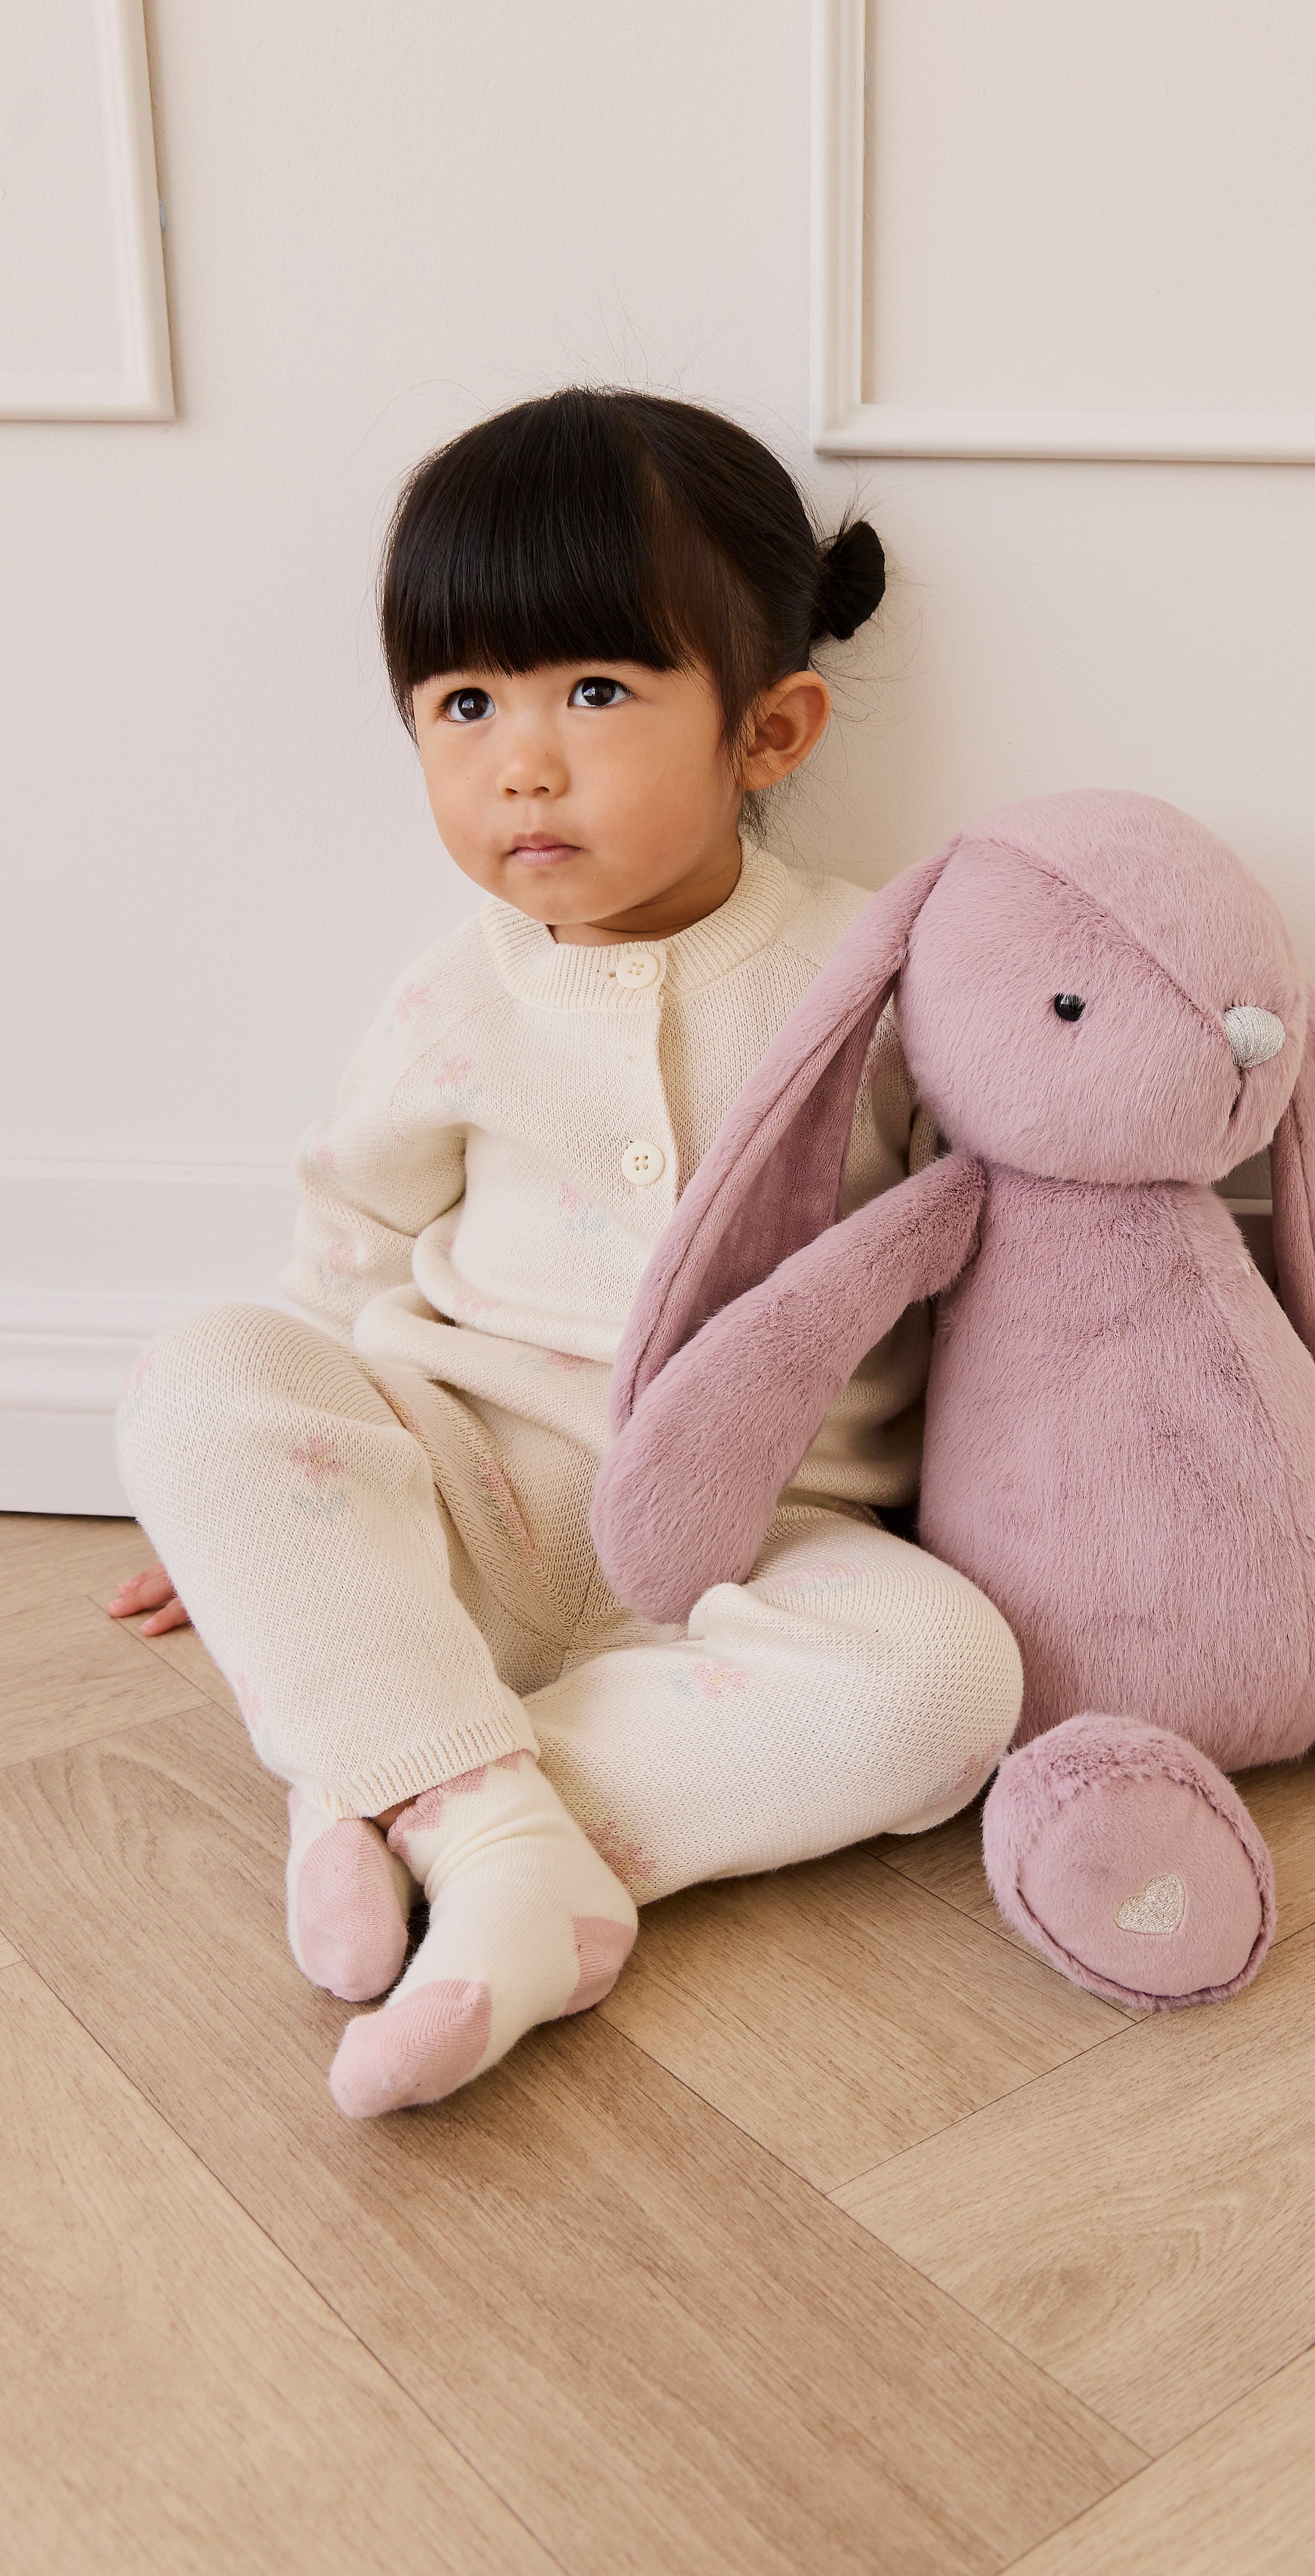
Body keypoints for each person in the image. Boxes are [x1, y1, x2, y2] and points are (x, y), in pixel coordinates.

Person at [111, 389, 1022, 2119]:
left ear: (770, 732)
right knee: (196, 1377)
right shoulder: (454, 991)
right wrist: (274, 1510)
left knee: (947, 1683)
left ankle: (421, 1790)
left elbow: (992, 1250)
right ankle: (467, 1804)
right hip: (467, 1486)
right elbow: (342, 1247)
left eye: (595, 691)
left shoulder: (877, 975)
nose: (520, 759)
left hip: (772, 1540)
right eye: (463, 704)